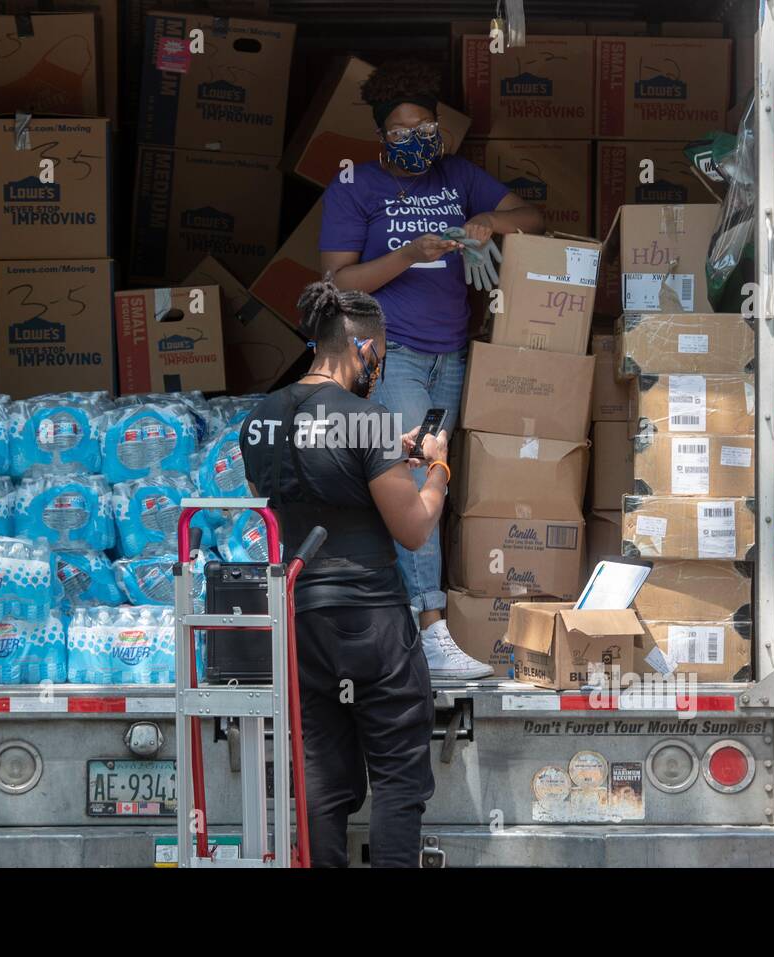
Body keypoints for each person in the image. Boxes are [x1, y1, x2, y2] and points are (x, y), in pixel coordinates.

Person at [319, 58, 545, 679]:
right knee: (416, 483)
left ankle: (428, 620)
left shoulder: (458, 175)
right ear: (380, 136)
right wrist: (409, 254)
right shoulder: (354, 187)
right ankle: (429, 626)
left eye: (427, 126)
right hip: (392, 355)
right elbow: (336, 282)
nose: (418, 138)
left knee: (440, 481)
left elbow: (533, 218)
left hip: (455, 352)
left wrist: (486, 223)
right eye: (403, 128)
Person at [240, 278, 449, 868]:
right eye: (379, 352)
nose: (378, 365)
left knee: (322, 779)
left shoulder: (259, 419)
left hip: (300, 618)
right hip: (371, 621)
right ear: (363, 348)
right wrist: (437, 471)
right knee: (398, 779)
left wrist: (384, 452)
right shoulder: (369, 418)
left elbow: (296, 491)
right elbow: (412, 527)